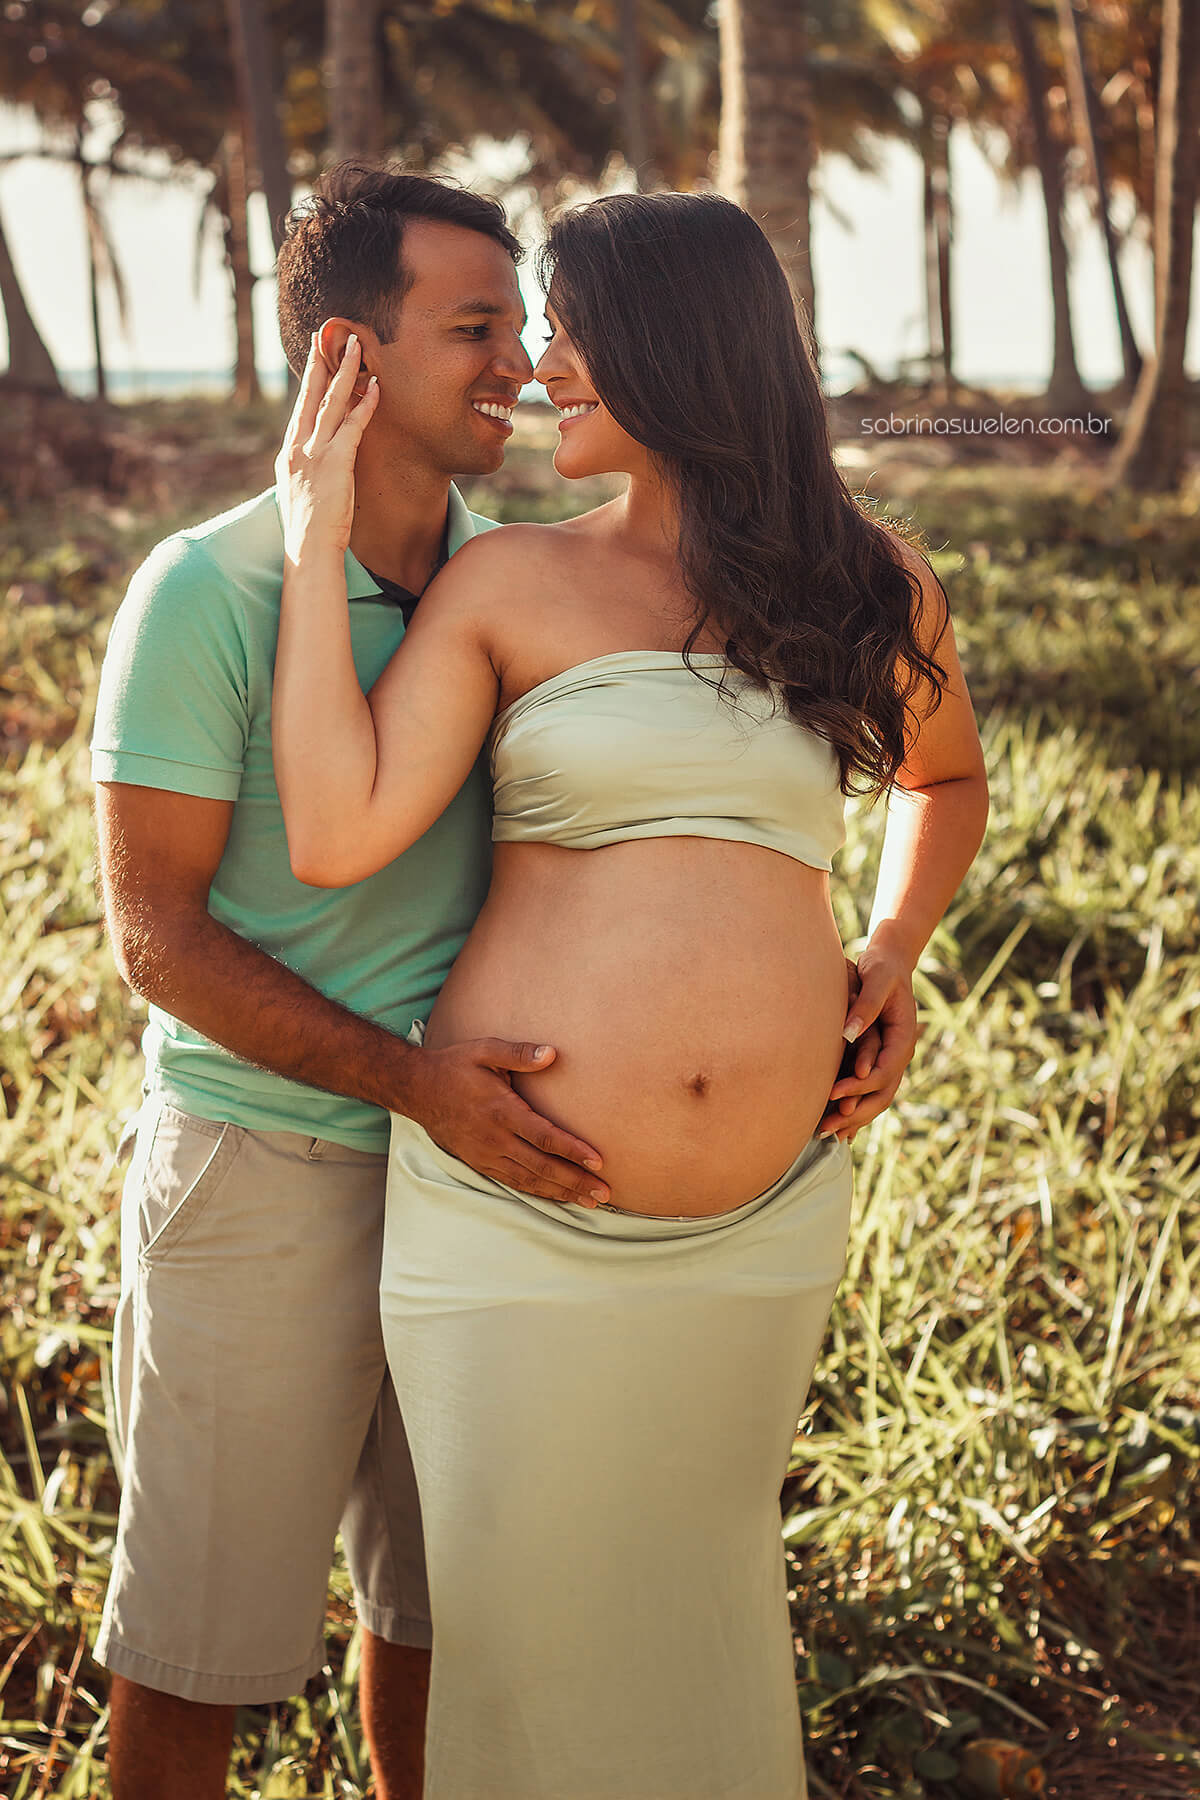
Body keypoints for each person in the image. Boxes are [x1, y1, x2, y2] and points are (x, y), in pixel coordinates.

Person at [272, 190, 989, 1798]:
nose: (541, 363)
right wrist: (313, 539)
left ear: (678, 345)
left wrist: (890, 950)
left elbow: (945, 779)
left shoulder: (864, 580)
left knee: (705, 1614)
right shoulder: (511, 585)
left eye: (575, 328)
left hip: (764, 1228)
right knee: (523, 1643)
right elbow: (333, 830)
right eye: (535, 329)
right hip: (512, 1224)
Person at [89, 165, 622, 1800]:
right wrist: (407, 1083)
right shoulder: (203, 589)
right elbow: (155, 940)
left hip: (479, 1187)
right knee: (195, 1658)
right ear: (352, 353)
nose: (521, 371)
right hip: (267, 1169)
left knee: (440, 1617)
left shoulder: (516, 584)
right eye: (476, 329)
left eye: (521, 330)